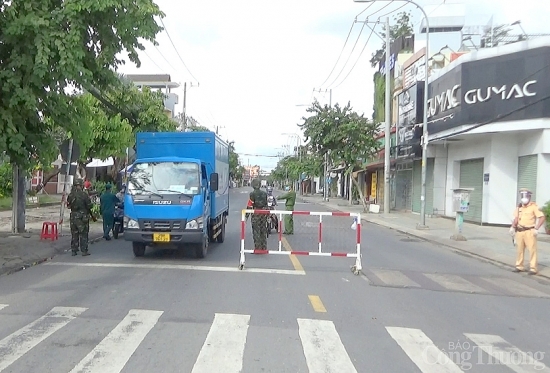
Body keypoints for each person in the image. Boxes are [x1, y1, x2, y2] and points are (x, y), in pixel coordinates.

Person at [510, 188, 546, 275]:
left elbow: (542, 217)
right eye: (522, 196)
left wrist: (536, 228)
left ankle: (533, 268)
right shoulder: (519, 207)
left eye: (525, 196)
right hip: (520, 231)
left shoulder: (533, 207)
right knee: (519, 250)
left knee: (532, 250)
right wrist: (512, 227)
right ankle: (519, 266)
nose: (524, 198)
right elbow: (516, 218)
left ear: (529, 196)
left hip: (530, 231)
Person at [67, 178, 94, 256]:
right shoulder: (84, 195)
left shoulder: (71, 195)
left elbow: (68, 206)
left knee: (74, 234)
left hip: (73, 216)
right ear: (81, 185)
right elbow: (89, 206)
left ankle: (74, 250)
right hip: (83, 217)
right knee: (83, 234)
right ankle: (84, 250)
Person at [248, 179, 268, 250]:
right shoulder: (264, 193)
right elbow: (266, 204)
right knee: (263, 230)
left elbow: (250, 205)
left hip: (256, 214)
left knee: (256, 231)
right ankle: (264, 247)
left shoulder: (252, 194)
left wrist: (246, 216)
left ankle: (258, 248)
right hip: (263, 213)